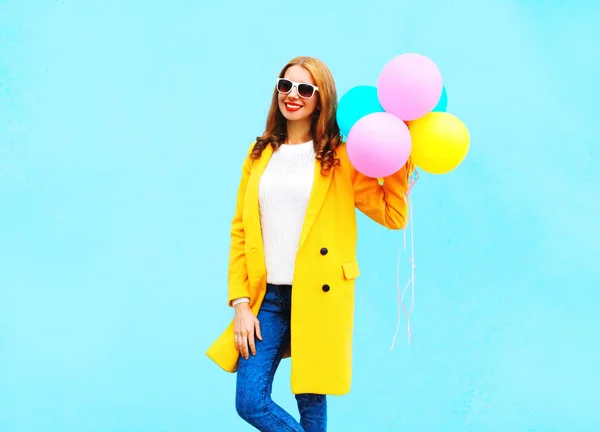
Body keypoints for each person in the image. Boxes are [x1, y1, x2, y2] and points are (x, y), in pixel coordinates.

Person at [206, 55, 413, 431]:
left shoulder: (343, 157)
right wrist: (239, 303)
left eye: (305, 88)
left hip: (318, 294)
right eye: (285, 85)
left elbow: (392, 215)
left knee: (312, 405)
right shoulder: (259, 154)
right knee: (251, 402)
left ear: (322, 99)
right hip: (264, 298)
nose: (292, 95)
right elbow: (241, 230)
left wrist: (399, 157)